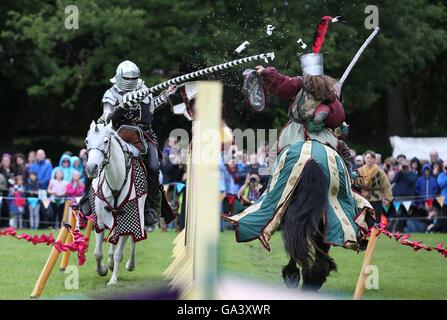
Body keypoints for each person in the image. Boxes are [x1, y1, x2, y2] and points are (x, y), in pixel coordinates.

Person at [80, 60, 178, 223]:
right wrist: (122, 107)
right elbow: (106, 118)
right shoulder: (111, 94)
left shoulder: (144, 90)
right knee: (93, 159)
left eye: (133, 79)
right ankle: (86, 199)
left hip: (143, 135)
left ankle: (150, 207)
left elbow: (151, 107)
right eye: (127, 78)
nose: (131, 82)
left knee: (154, 166)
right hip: (117, 135)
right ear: (119, 77)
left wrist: (165, 95)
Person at [354, 150, 393, 221]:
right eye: (367, 158)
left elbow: (386, 185)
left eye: (371, 158)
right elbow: (354, 184)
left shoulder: (379, 171)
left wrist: (388, 198)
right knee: (364, 219)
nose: (369, 160)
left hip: (376, 198)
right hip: (363, 198)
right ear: (364, 159)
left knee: (376, 220)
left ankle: (375, 231)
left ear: (374, 160)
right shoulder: (359, 171)